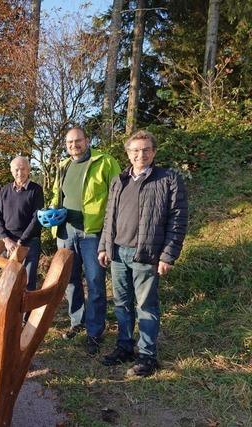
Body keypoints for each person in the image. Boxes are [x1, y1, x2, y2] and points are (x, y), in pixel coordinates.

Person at [98, 130, 188, 377]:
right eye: (135, 150)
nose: (141, 155)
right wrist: (104, 247)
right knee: (121, 305)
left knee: (146, 306)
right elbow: (109, 216)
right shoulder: (120, 180)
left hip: (146, 255)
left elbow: (178, 221)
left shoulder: (168, 179)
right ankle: (124, 346)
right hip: (118, 253)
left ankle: (147, 355)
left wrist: (167, 256)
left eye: (146, 150)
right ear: (128, 153)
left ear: (154, 152)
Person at [51, 126, 121, 355]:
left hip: (92, 233)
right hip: (66, 232)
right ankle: (76, 321)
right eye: (70, 142)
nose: (74, 145)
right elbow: (56, 195)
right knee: (70, 280)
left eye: (78, 141)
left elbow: (117, 197)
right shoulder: (63, 166)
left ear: (87, 140)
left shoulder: (105, 162)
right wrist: (52, 211)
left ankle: (95, 331)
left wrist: (111, 231)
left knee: (95, 282)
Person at [0, 156, 43, 292]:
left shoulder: (36, 190)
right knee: (8, 280)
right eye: (16, 169)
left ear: (28, 170)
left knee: (28, 281)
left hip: (29, 243)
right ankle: (11, 312)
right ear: (11, 171)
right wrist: (6, 239)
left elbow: (36, 218)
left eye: (23, 169)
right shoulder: (4, 190)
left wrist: (22, 241)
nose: (19, 173)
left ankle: (27, 313)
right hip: (9, 244)